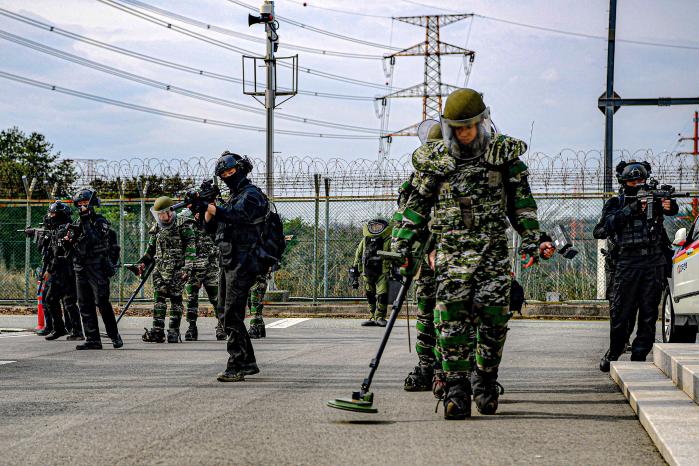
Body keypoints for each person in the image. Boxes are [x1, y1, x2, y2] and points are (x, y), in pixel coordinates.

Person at [393, 88, 554, 419]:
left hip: (491, 255)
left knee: (494, 323)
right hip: (450, 258)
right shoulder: (436, 162)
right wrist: (401, 242)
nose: (464, 134)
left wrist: (533, 239)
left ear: (482, 122)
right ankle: (456, 391)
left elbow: (522, 206)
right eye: (457, 128)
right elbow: (417, 207)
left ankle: (484, 379)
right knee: (451, 325)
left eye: (469, 126)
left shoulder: (504, 157)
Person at [195, 151, 268, 382]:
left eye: (230, 171)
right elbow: (210, 228)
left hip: (244, 261)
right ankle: (246, 361)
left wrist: (211, 206)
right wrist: (206, 207)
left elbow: (237, 215)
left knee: (232, 314)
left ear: (241, 169)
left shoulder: (252, 195)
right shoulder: (233, 197)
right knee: (224, 313)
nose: (227, 176)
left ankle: (237, 364)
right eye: (223, 173)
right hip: (228, 259)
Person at [598, 161, 678, 372]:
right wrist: (631, 209)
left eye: (641, 180)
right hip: (627, 262)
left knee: (649, 313)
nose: (638, 184)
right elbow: (601, 230)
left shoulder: (655, 199)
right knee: (621, 312)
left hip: (653, 262)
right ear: (624, 183)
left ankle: (640, 355)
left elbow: (671, 210)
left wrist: (669, 204)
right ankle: (615, 350)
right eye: (633, 181)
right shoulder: (617, 203)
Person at [64, 189, 122, 350]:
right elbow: (70, 246)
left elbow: (94, 240)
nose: (82, 207)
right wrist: (67, 240)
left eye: (85, 204)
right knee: (84, 303)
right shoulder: (77, 222)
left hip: (97, 267)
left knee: (102, 302)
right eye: (80, 204)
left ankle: (114, 335)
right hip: (80, 267)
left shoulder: (99, 221)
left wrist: (85, 221)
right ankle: (92, 339)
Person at [135, 197, 196, 344]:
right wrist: (141, 263)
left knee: (176, 300)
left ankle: (173, 332)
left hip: (177, 270)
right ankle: (157, 331)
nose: (162, 217)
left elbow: (190, 248)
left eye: (163, 213)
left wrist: (187, 268)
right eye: (159, 214)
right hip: (160, 269)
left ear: (170, 212)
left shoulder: (183, 225)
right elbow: (150, 250)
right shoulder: (157, 227)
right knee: (159, 300)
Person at [41, 202, 84, 341]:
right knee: (67, 301)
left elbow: (59, 254)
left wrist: (49, 270)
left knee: (53, 299)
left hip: (64, 271)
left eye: (53, 214)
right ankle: (72, 330)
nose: (50, 216)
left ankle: (63, 329)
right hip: (65, 270)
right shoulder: (59, 229)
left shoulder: (64, 230)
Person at [181, 209, 224, 342]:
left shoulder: (215, 221)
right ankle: (192, 327)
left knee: (216, 298)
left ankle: (221, 325)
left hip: (212, 265)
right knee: (191, 299)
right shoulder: (186, 223)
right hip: (193, 267)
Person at [352, 219, 392, 327]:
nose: (375, 229)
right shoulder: (364, 240)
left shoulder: (388, 239)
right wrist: (355, 268)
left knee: (382, 294)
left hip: (383, 271)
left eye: (378, 226)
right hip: (367, 272)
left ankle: (380, 317)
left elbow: (394, 255)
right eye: (373, 227)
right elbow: (358, 255)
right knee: (369, 294)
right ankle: (372, 316)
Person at [247, 271, 270, 339]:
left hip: (259, 275)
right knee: (250, 303)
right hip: (247, 275)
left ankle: (254, 327)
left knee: (255, 302)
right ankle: (260, 325)